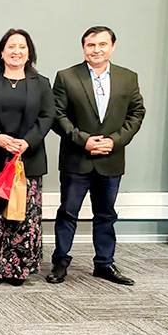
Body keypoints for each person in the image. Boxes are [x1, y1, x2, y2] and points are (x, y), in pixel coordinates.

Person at [49, 26, 145, 285]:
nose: (96, 50)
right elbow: (57, 115)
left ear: (112, 46)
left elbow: (136, 113)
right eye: (91, 45)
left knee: (106, 215)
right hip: (76, 158)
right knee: (68, 212)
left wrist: (114, 141)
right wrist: (84, 141)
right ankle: (60, 262)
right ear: (84, 48)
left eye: (102, 44)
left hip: (111, 158)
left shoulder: (128, 77)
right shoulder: (66, 77)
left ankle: (104, 263)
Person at [0, 28, 55, 285]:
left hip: (27, 158)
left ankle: (17, 269)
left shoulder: (41, 83)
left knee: (21, 215)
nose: (16, 51)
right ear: (2, 52)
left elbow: (48, 115)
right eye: (11, 47)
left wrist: (27, 142)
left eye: (22, 47)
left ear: (29, 53)